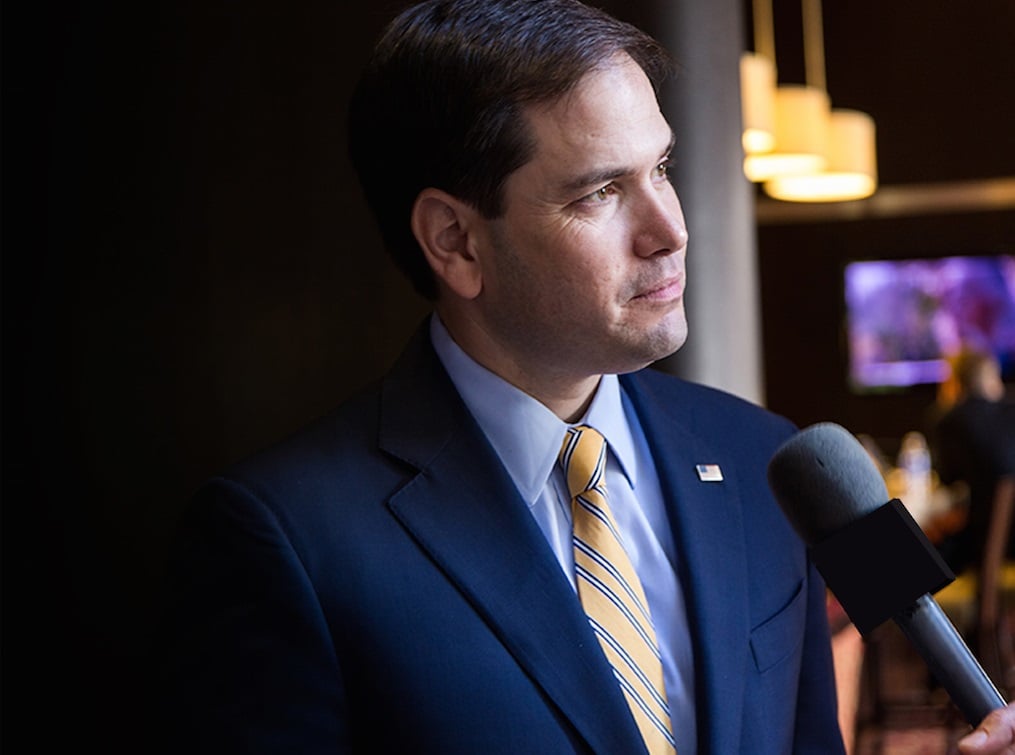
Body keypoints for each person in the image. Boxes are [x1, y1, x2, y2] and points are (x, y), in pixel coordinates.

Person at [152, 1, 1015, 752]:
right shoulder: (285, 540)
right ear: (455, 241)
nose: (669, 229)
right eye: (600, 192)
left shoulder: (769, 459)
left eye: (662, 169)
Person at [930, 348, 1015, 574]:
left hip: (987, 543)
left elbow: (948, 481)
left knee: (928, 546)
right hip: (1008, 539)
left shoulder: (950, 420)